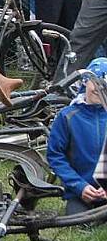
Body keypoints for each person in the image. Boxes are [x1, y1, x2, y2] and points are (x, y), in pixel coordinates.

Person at [46, 58, 107, 215]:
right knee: (79, 221)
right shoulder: (67, 116)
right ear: (85, 82)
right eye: (96, 82)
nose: (99, 90)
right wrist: (80, 186)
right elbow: (55, 156)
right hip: (80, 192)